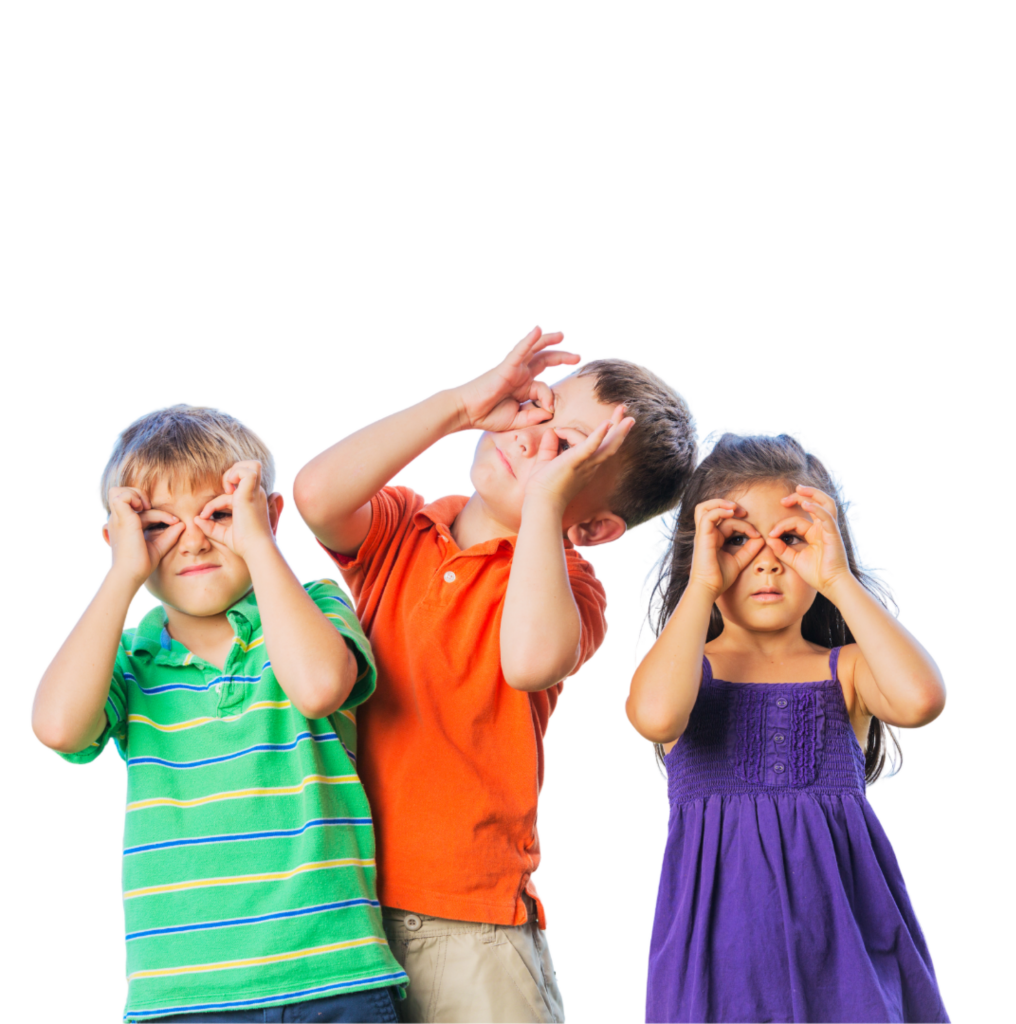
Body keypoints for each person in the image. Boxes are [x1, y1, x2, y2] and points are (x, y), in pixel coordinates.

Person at [290, 324, 699, 1023]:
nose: (531, 437)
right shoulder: (402, 527)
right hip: (337, 907)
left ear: (594, 530)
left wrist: (543, 506)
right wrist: (462, 405)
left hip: (469, 918)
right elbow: (315, 494)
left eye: (568, 449)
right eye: (542, 410)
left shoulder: (570, 586)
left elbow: (532, 658)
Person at [29, 403, 408, 1023]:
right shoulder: (127, 657)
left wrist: (258, 544)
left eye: (221, 513)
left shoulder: (312, 605)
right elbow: (57, 727)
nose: (196, 539)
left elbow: (317, 688)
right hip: (184, 994)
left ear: (269, 513)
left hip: (332, 973)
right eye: (157, 525)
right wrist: (123, 572)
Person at [624, 426, 952, 1023]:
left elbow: (921, 702)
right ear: (702, 549)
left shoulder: (846, 668)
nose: (767, 562)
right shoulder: (686, 668)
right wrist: (702, 583)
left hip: (845, 947)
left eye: (791, 539)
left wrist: (838, 578)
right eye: (737, 540)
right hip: (720, 953)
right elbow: (654, 716)